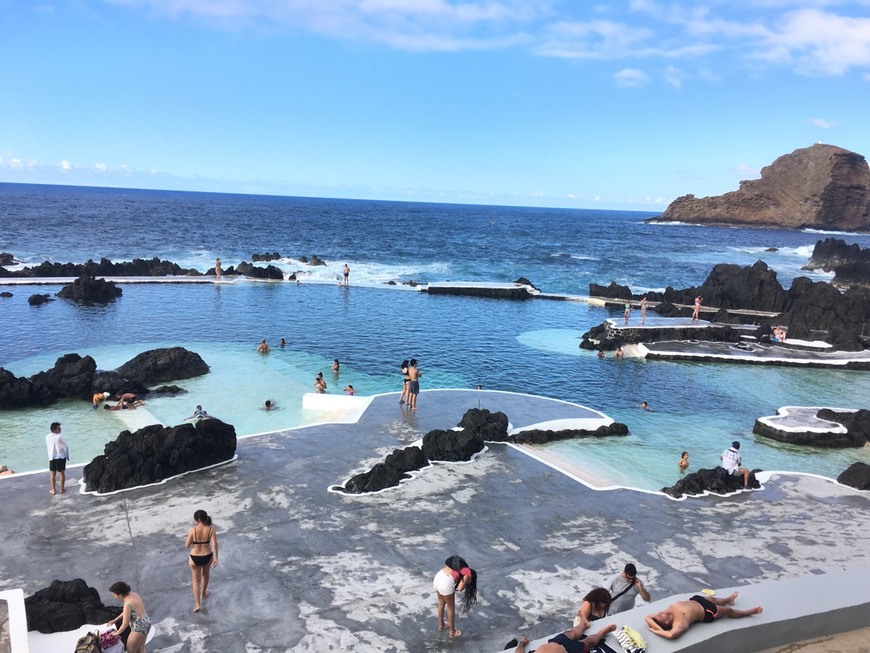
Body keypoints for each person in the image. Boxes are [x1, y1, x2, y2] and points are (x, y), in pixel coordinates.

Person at [645, 592, 762, 640]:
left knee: (714, 599)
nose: (659, 612)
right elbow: (671, 635)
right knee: (728, 610)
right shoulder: (679, 623)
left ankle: (728, 599)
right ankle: (748, 612)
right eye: (660, 616)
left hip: (696, 600)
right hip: (706, 611)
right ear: (666, 622)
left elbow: (647, 618)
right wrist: (656, 632)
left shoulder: (666, 613)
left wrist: (656, 627)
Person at [434, 555, 477, 638]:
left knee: (441, 604)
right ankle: (452, 632)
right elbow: (460, 588)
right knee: (451, 608)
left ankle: (441, 625)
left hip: (438, 577)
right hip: (446, 582)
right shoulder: (468, 573)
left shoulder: (460, 567)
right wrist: (464, 584)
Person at [511, 620, 617, 653]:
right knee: (588, 641)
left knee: (571, 633)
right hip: (569, 650)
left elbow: (519, 651)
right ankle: (602, 632)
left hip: (555, 643)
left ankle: (582, 624)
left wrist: (522, 642)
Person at [185, 509, 219, 612]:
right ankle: (203, 593)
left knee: (196, 580)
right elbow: (215, 544)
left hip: (195, 557)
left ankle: (197, 604)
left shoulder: (193, 530)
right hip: (207, 555)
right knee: (205, 575)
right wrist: (216, 558)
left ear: (198, 520)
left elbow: (187, 545)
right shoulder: (211, 529)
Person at [106, 581, 150, 653]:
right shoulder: (134, 594)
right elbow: (127, 612)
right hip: (146, 623)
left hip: (138, 628)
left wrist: (115, 633)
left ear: (120, 595)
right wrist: (115, 620)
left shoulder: (127, 603)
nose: (113, 596)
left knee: (130, 650)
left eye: (114, 594)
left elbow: (124, 625)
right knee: (140, 649)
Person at [46, 422, 69, 495]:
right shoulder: (59, 437)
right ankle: (62, 489)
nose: (60, 429)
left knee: (52, 474)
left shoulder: (47, 437)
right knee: (61, 473)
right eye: (59, 428)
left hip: (52, 457)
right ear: (55, 429)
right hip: (60, 457)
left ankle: (53, 490)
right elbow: (65, 447)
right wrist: (67, 456)